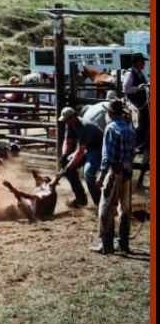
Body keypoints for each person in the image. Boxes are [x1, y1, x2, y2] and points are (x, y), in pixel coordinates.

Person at [90, 98, 135, 255]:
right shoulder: (129, 129)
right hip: (127, 172)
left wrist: (101, 175)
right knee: (125, 208)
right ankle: (123, 243)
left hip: (113, 173)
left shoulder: (111, 128)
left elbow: (106, 156)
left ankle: (106, 244)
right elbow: (132, 153)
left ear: (109, 113)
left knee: (106, 207)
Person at [58, 106, 104, 208]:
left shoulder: (84, 127)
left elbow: (80, 152)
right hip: (88, 148)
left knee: (88, 174)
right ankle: (81, 199)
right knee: (68, 166)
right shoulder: (69, 124)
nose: (65, 122)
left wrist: (68, 167)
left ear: (73, 117)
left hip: (98, 148)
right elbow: (67, 141)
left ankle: (100, 203)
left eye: (66, 120)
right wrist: (64, 155)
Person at [122, 52, 149, 151]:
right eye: (142, 62)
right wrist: (137, 88)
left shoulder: (139, 72)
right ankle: (135, 139)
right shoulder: (130, 73)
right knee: (136, 113)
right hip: (132, 99)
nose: (144, 64)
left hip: (141, 100)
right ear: (137, 62)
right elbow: (125, 89)